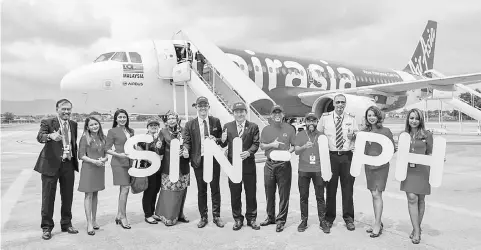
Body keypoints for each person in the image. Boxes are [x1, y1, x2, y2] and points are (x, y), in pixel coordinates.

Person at [35, 99, 79, 240]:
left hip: (68, 164)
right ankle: (47, 227)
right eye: (63, 109)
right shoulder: (48, 122)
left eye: (68, 109)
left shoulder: (73, 124)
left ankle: (66, 223)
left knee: (67, 196)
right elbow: (40, 137)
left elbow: (73, 143)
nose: (66, 112)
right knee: (48, 197)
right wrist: (50, 136)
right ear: (57, 109)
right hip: (51, 165)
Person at [317, 94, 359, 231]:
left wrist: (354, 137)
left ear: (345, 104)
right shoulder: (325, 118)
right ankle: (329, 218)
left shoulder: (351, 118)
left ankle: (348, 218)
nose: (340, 105)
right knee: (330, 188)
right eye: (338, 102)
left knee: (347, 189)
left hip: (347, 157)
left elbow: (358, 136)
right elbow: (318, 135)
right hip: (331, 157)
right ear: (334, 104)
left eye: (342, 102)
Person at [183, 96, 225, 228]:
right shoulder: (190, 124)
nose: (202, 108)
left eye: (205, 105)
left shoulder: (215, 121)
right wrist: (185, 149)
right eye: (200, 106)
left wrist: (217, 139)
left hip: (213, 160)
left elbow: (221, 140)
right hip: (199, 160)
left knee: (215, 189)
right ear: (196, 107)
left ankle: (216, 216)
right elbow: (187, 141)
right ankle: (203, 216)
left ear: (208, 107)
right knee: (202, 190)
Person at [220, 102, 261, 231]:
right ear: (233, 113)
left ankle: (251, 218)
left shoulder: (253, 126)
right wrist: (222, 139)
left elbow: (256, 143)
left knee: (251, 193)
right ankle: (237, 219)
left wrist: (249, 152)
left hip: (249, 165)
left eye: (242, 111)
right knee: (235, 193)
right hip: (233, 166)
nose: (239, 114)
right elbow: (223, 144)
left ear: (245, 112)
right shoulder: (227, 126)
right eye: (237, 111)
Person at [259, 104, 296, 233]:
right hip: (269, 164)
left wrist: (287, 152)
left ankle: (281, 220)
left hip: (284, 165)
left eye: (279, 113)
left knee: (283, 194)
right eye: (274, 113)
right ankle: (270, 217)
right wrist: (272, 144)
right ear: (271, 115)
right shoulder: (266, 129)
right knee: (269, 193)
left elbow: (294, 146)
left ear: (283, 115)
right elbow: (262, 146)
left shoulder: (290, 129)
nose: (277, 115)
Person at [400, 108, 433, 244]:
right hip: (408, 171)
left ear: (421, 120)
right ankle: (418, 231)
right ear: (408, 119)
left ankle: (416, 228)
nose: (414, 121)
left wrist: (439, 159)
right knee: (411, 197)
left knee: (420, 199)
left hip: (422, 171)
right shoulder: (403, 135)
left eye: (416, 118)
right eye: (411, 118)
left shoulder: (427, 134)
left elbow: (430, 152)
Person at [362, 106, 395, 238]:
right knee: (373, 194)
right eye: (369, 115)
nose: (371, 118)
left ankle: (377, 224)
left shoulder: (386, 131)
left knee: (377, 194)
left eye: (373, 115)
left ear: (378, 117)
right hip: (369, 167)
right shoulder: (364, 132)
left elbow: (392, 148)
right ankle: (377, 221)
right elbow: (362, 149)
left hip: (381, 167)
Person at [294, 112, 330, 234]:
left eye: (313, 121)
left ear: (317, 122)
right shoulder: (300, 135)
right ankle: (304, 220)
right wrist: (304, 146)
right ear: (306, 122)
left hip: (318, 170)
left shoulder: (321, 136)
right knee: (303, 197)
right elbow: (296, 151)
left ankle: (322, 221)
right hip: (303, 170)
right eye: (309, 121)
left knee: (320, 197)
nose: (311, 123)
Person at [155, 112, 191, 226]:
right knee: (168, 191)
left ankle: (179, 214)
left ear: (177, 119)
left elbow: (188, 143)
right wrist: (158, 146)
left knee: (181, 191)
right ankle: (168, 216)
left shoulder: (184, 130)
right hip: (168, 166)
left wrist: (186, 150)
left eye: (173, 118)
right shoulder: (163, 132)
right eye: (169, 118)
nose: (171, 120)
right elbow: (159, 150)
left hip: (182, 165)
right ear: (166, 121)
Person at [77, 116, 108, 235]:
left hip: (99, 168)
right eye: (91, 125)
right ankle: (89, 222)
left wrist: (104, 159)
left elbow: (106, 154)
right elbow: (81, 155)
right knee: (88, 195)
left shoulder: (103, 138)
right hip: (89, 168)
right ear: (87, 127)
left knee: (95, 194)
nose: (94, 126)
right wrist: (94, 161)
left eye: (96, 124)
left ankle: (94, 220)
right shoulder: (85, 138)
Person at [105, 109, 135, 229]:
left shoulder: (131, 131)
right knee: (125, 189)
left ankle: (119, 214)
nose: (122, 119)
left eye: (124, 117)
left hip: (129, 162)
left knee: (123, 189)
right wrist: (119, 154)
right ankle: (123, 217)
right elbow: (107, 148)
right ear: (116, 119)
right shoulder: (112, 131)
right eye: (120, 117)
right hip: (118, 162)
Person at [140, 119, 164, 224]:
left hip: (159, 168)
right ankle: (147, 214)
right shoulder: (143, 139)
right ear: (147, 127)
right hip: (148, 168)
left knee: (156, 190)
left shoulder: (160, 138)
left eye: (156, 125)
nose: (154, 126)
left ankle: (152, 211)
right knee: (149, 191)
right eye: (151, 125)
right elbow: (139, 152)